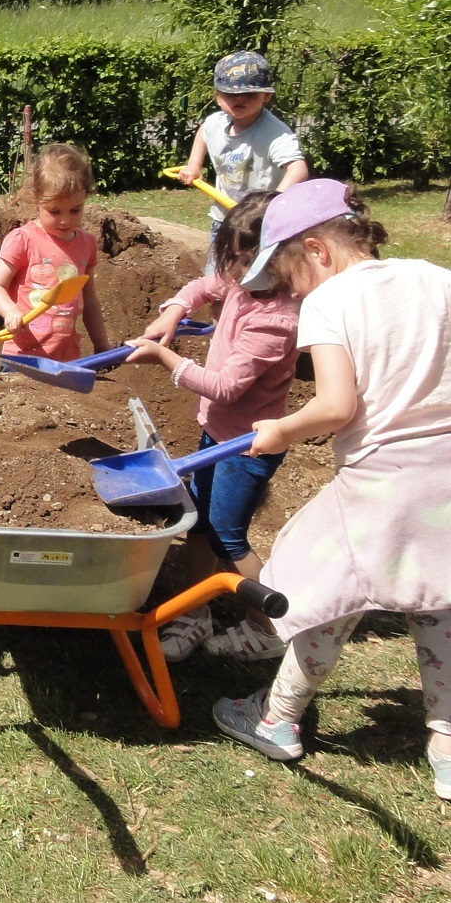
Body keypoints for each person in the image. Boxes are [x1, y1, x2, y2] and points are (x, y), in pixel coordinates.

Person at [209, 179, 451, 803]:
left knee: (331, 593)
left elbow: (335, 407)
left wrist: (281, 430)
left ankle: (276, 720)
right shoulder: (426, 275)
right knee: (435, 605)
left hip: (381, 480)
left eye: (287, 272)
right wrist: (444, 366)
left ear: (316, 249)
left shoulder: (328, 303)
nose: (290, 289)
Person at [123, 191, 299, 662]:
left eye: (246, 261)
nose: (235, 273)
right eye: (233, 260)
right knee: (199, 525)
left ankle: (266, 628)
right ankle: (194, 613)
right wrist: (174, 310)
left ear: (282, 257)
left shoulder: (277, 321)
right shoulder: (246, 282)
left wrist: (166, 357)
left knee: (228, 536)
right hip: (218, 434)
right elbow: (206, 285)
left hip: (247, 446)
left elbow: (223, 387)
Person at [178, 51, 309, 271]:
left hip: (260, 226)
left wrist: (272, 203)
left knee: (258, 280)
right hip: (225, 219)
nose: (239, 99)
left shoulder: (274, 133)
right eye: (230, 94)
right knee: (216, 278)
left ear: (266, 96)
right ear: (217, 95)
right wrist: (194, 165)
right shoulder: (216, 122)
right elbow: (203, 132)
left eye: (249, 94)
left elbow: (298, 169)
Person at [0, 143, 111, 361]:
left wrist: (101, 343)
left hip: (66, 358)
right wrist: (11, 312)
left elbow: (89, 299)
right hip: (21, 357)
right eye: (54, 211)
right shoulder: (23, 240)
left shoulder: (86, 244)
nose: (65, 220)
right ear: (36, 198)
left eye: (75, 210)